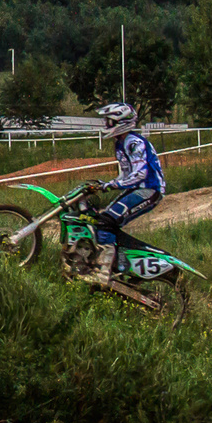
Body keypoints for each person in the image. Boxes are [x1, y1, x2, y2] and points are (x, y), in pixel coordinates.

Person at [87, 102, 165, 285]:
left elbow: (140, 174)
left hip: (149, 189)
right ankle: (118, 264)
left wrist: (112, 185)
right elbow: (125, 174)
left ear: (121, 122)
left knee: (107, 222)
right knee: (103, 219)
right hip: (136, 189)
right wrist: (105, 184)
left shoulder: (134, 142)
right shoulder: (120, 143)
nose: (107, 125)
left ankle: (103, 273)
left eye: (110, 122)